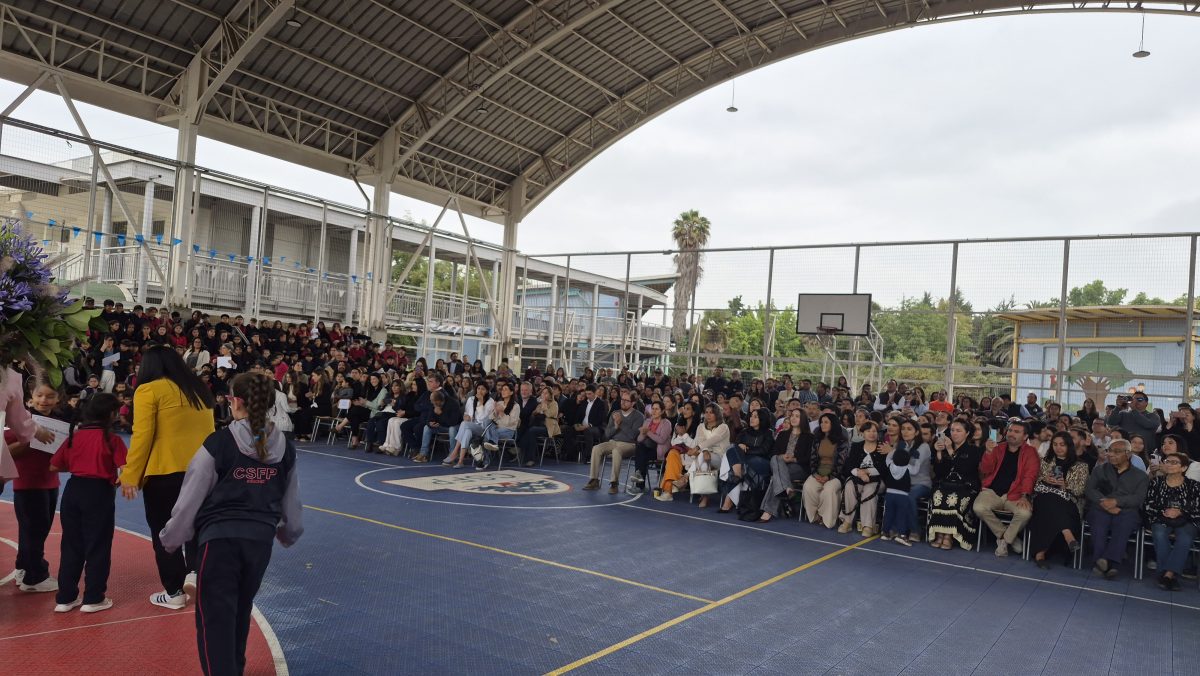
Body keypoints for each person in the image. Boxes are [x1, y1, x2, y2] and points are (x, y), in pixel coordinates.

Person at [159, 372, 303, 676]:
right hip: (259, 544)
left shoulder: (219, 443)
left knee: (215, 619)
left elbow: (191, 497)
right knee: (239, 611)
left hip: (219, 541)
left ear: (234, 401)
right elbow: (291, 502)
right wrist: (288, 534)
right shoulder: (285, 449)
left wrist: (171, 538)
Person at [120, 345, 216, 610]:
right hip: (204, 471)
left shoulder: (148, 390)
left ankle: (174, 592)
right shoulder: (199, 390)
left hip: (165, 472)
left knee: (165, 532)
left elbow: (142, 436)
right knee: (198, 526)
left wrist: (130, 475)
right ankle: (195, 573)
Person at [48, 393, 127, 613]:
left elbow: (54, 466)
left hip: (73, 490)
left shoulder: (75, 436)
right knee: (98, 546)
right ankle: (93, 598)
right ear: (111, 414)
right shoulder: (112, 440)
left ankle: (65, 598)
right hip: (99, 492)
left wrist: (79, 465)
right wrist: (115, 481)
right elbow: (125, 469)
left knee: (71, 544)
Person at [6, 381, 70, 593]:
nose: (44, 400)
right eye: (40, 395)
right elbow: (4, 452)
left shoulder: (58, 423)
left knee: (34, 531)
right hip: (27, 485)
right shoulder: (21, 422)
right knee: (35, 531)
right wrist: (30, 438)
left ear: (58, 399)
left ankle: (24, 568)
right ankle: (36, 577)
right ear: (30, 397)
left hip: (49, 483)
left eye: (50, 396)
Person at [973, 421, 1039, 557]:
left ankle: (1004, 541)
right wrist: (989, 452)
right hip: (992, 492)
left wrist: (1025, 495)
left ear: (1025, 436)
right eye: (1010, 431)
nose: (1011, 434)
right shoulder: (998, 448)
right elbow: (985, 470)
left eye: (1016, 432)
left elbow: (1030, 475)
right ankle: (1009, 538)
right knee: (979, 508)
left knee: (1025, 513)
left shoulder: (1030, 452)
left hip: (1016, 494)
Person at [1085, 439, 1148, 580]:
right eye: (1109, 451)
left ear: (1128, 454)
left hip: (1126, 510)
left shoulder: (1140, 476)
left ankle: (1105, 561)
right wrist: (1104, 502)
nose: (1111, 455)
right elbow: (1089, 490)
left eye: (1117, 452)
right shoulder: (1099, 470)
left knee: (1124, 524)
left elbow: (1138, 498)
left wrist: (1117, 502)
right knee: (1099, 523)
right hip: (1100, 507)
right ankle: (1109, 564)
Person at [1027, 432, 1089, 568]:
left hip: (1069, 501)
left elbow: (1080, 491)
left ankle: (1040, 553)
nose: (1058, 448)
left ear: (1069, 446)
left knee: (1052, 505)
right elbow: (1034, 484)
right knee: (1048, 499)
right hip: (1043, 496)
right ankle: (1068, 535)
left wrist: (1064, 485)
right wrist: (1044, 479)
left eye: (1062, 444)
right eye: (1055, 444)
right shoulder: (1046, 461)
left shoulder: (1081, 466)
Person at [1142, 452, 1200, 591]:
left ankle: (1167, 574)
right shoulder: (1156, 482)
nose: (1169, 464)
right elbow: (1148, 504)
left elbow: (1197, 506)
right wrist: (1165, 512)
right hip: (1161, 517)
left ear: (1184, 468)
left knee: (1185, 537)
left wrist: (1180, 511)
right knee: (1160, 534)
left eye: (1174, 462)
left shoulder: (1194, 485)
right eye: (1168, 461)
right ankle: (1170, 575)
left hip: (1187, 519)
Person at [928, 419, 985, 550]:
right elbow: (939, 472)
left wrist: (949, 450)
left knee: (954, 497)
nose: (954, 433)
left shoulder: (974, 450)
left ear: (967, 433)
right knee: (938, 494)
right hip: (946, 483)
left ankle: (949, 536)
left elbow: (965, 469)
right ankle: (940, 534)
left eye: (958, 431)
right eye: (952, 430)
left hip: (966, 486)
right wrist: (938, 452)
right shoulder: (943, 446)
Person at [582, 392, 645, 495]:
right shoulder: (615, 413)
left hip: (629, 445)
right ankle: (594, 480)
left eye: (626, 400)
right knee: (596, 448)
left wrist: (620, 424)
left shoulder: (639, 416)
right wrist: (615, 426)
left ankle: (614, 483)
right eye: (622, 400)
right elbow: (607, 434)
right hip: (613, 441)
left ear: (633, 403)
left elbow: (633, 435)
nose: (623, 402)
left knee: (617, 451)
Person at [759, 409, 813, 521]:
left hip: (799, 467)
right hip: (781, 465)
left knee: (776, 478)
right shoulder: (783, 434)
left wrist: (793, 459)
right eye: (792, 415)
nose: (793, 418)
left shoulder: (809, 437)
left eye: (797, 416)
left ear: (802, 419)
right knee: (775, 459)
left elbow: (809, 458)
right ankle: (786, 489)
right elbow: (774, 453)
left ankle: (769, 509)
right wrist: (782, 457)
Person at [837, 421, 886, 535]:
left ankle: (867, 526)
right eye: (868, 431)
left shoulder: (882, 446)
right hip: (859, 478)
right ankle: (847, 522)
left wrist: (867, 471)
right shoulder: (856, 446)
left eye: (874, 431)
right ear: (862, 433)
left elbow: (884, 468)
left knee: (869, 490)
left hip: (877, 480)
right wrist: (859, 473)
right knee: (849, 486)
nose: (871, 433)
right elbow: (849, 464)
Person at [802, 413, 850, 529]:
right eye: (821, 422)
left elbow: (841, 463)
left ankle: (827, 519)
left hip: (836, 475)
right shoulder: (817, 439)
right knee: (808, 487)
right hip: (818, 472)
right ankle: (815, 516)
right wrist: (815, 473)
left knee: (829, 490)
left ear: (833, 424)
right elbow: (812, 459)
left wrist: (830, 476)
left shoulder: (842, 441)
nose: (822, 424)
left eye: (826, 422)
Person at [881, 436, 922, 546]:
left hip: (889, 494)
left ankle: (885, 532)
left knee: (888, 514)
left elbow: (887, 459)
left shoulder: (890, 465)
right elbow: (916, 470)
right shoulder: (908, 468)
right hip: (902, 496)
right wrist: (916, 459)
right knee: (901, 515)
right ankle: (902, 535)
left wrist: (894, 450)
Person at [631, 401, 672, 494]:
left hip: (658, 450)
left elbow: (661, 440)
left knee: (641, 453)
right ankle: (639, 474)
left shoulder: (666, 423)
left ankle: (639, 480)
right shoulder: (647, 421)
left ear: (662, 411)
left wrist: (648, 432)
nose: (654, 411)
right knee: (641, 449)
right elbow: (639, 439)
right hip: (645, 448)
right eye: (653, 408)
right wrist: (643, 433)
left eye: (657, 409)